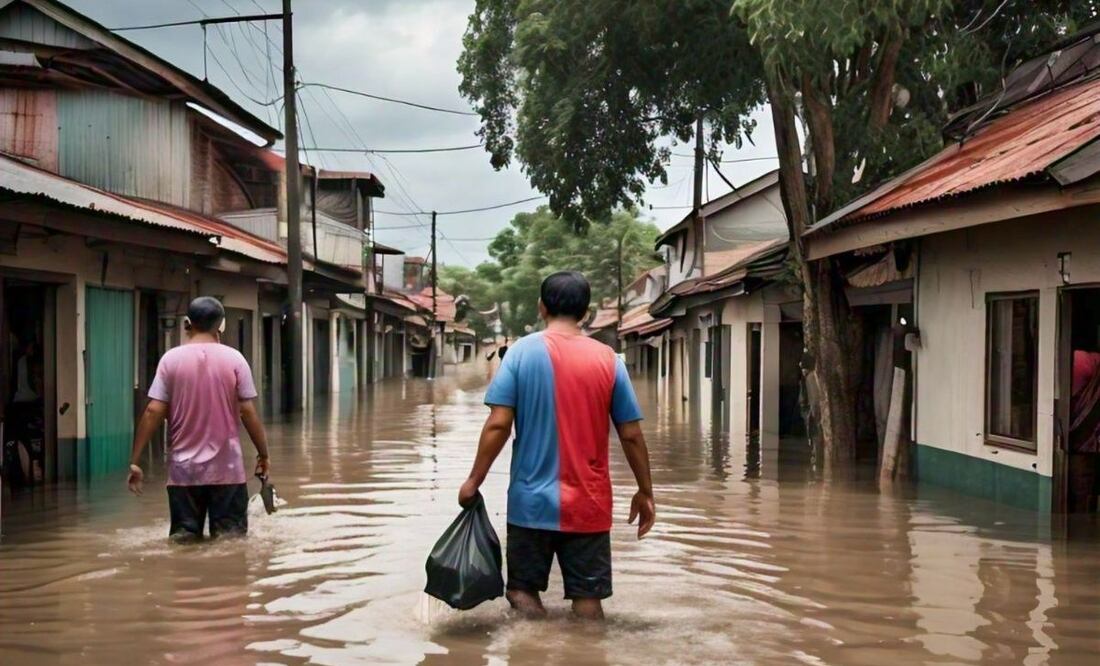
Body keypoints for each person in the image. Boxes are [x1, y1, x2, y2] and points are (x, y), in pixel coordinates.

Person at [458, 271, 655, 620]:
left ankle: (532, 641)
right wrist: (645, 491)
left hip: (530, 502)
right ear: (586, 313)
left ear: (541, 307)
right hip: (590, 503)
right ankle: (587, 647)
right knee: (588, 598)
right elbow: (631, 435)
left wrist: (474, 480)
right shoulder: (609, 360)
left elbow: (499, 424)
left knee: (522, 591)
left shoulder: (519, 354)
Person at [127, 296, 271, 541]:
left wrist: (135, 460)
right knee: (231, 542)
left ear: (187, 323)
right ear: (221, 325)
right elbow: (247, 412)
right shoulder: (235, 359)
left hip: (184, 472)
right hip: (227, 471)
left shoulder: (170, 360)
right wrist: (263, 454)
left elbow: (153, 411)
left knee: (184, 541)